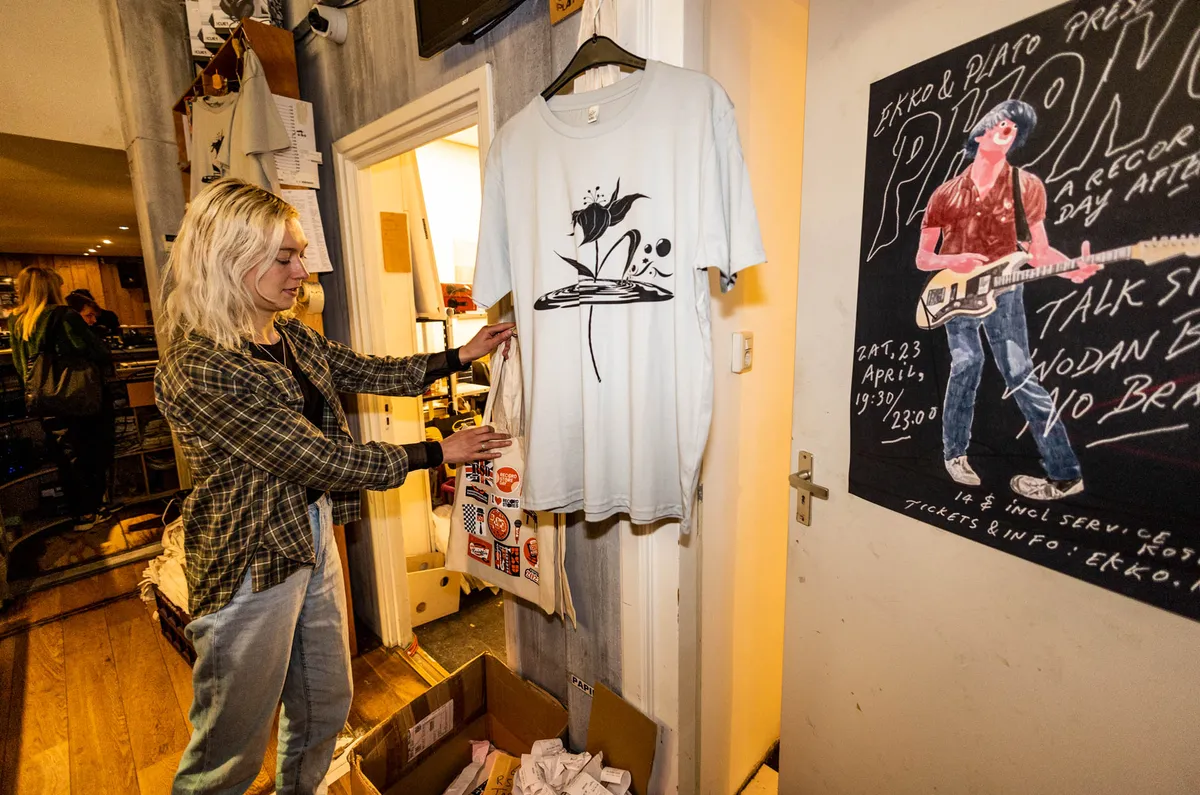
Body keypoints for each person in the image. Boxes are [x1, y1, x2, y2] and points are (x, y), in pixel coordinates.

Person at [154, 178, 515, 795]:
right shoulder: (202, 365)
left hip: (310, 531)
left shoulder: (287, 333)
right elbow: (317, 459)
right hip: (251, 558)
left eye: (300, 254)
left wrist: (457, 356)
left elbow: (362, 369)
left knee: (325, 700)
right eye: (285, 258)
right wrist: (438, 451)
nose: (302, 273)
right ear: (230, 258)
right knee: (231, 747)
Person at [916, 99, 1099, 501]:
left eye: (1014, 127)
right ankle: (954, 453)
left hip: (1006, 290)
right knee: (966, 363)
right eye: (1000, 122)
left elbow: (1039, 252)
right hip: (956, 292)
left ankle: (1064, 472)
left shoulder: (1026, 186)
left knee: (1018, 372)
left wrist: (1072, 269)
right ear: (981, 131)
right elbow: (923, 258)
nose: (1007, 129)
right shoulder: (945, 193)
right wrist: (954, 260)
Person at [8, 266, 114, 529]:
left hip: (43, 398)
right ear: (51, 287)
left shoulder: (17, 320)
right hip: (76, 396)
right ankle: (93, 508)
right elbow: (96, 351)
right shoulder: (64, 315)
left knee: (66, 456)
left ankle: (81, 513)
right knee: (90, 451)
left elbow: (20, 365)